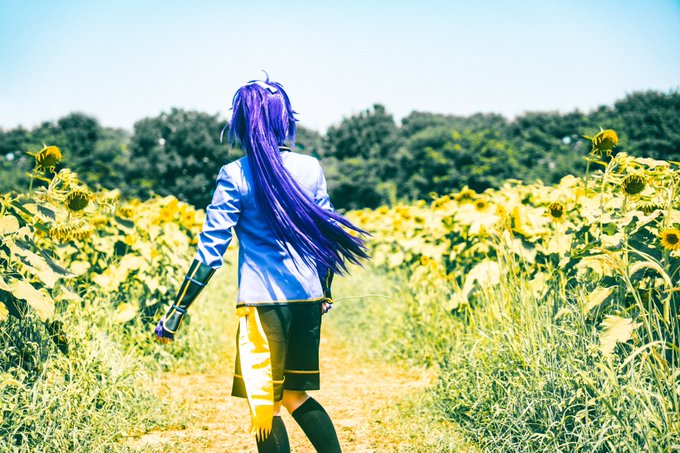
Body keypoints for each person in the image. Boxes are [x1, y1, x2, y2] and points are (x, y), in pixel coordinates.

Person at [153, 75, 370, 453]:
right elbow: (328, 234)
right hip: (306, 298)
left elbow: (210, 252)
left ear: (243, 122)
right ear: (285, 120)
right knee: (295, 395)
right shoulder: (310, 168)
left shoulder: (235, 174)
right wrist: (325, 292)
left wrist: (177, 311)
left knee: (265, 405)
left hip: (261, 307)